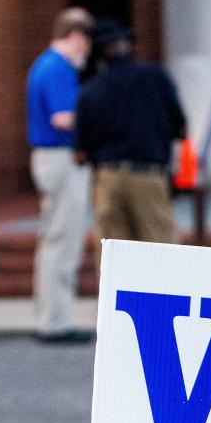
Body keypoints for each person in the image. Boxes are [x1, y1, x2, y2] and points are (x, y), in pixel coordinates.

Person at [74, 19, 187, 252]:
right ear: (126, 45)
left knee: (113, 256)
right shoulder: (157, 78)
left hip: (108, 178)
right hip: (148, 175)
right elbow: (181, 128)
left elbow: (80, 153)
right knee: (161, 252)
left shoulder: (90, 89)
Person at [25, 7, 94, 343]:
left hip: (52, 158)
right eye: (86, 43)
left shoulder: (47, 65)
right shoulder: (57, 68)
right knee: (62, 242)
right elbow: (63, 118)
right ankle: (55, 322)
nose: (87, 51)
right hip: (60, 158)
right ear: (77, 36)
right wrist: (99, 118)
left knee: (54, 239)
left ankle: (50, 317)